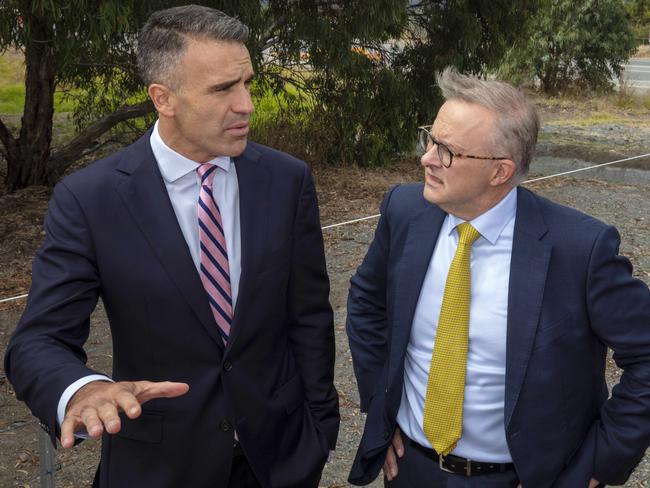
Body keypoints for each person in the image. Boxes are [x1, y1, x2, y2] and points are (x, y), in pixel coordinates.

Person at [4, 5, 339, 487]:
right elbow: (39, 340)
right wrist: (82, 389)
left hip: (278, 459)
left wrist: (319, 429)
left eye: (246, 82)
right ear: (164, 98)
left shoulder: (286, 180)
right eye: (224, 89)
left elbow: (308, 316)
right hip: (158, 466)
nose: (246, 104)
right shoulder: (91, 198)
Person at [346, 67, 650, 488]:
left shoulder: (581, 249)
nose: (426, 158)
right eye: (429, 139)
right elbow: (365, 301)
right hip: (411, 469)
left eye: (446, 150)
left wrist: (599, 464)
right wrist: (382, 407)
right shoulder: (404, 211)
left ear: (500, 172)